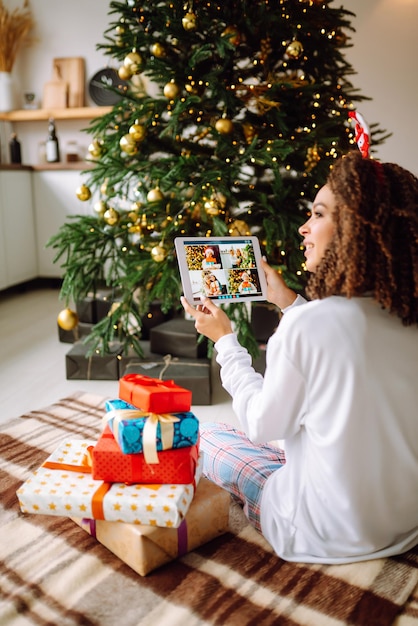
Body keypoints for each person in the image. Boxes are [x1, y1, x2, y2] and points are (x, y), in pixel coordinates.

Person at [181, 151, 418, 564]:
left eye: (319, 214)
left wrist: (226, 341)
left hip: (320, 532)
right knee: (303, 425)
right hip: (406, 524)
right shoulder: (406, 312)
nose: (304, 228)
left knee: (212, 435)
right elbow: (347, 346)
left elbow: (258, 424)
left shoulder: (309, 328)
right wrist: (289, 302)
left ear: (356, 229)